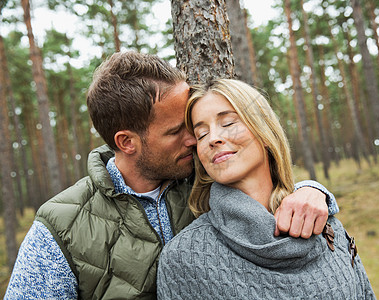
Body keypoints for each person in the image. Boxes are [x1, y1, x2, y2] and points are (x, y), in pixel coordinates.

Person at [5, 52, 339, 299]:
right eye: (177, 131)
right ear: (127, 142)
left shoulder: (204, 176)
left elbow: (267, 178)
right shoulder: (61, 229)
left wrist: (313, 190)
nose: (197, 140)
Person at [157, 79, 375, 299]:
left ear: (264, 130)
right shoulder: (185, 258)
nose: (213, 138)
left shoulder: (325, 224)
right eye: (201, 134)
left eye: (228, 123)